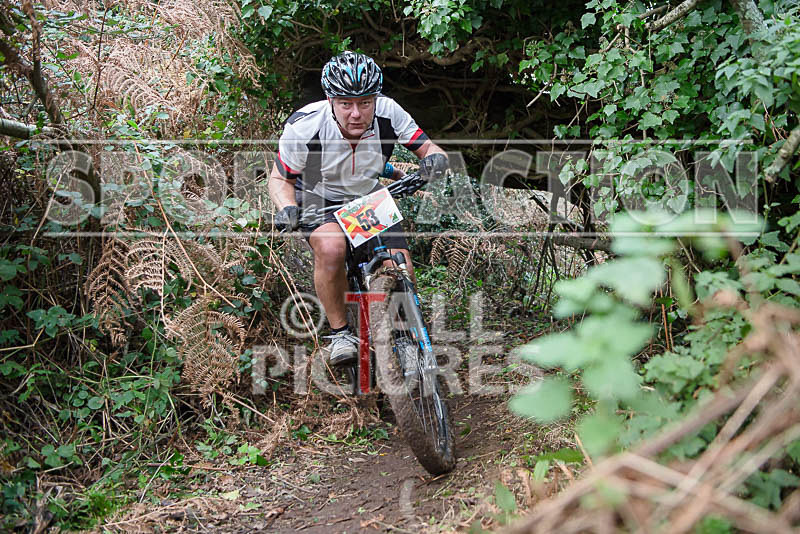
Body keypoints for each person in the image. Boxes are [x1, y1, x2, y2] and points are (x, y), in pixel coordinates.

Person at [268, 51, 449, 366]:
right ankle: (340, 334)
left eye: (365, 103)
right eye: (345, 104)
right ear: (330, 100)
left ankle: (406, 334)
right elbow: (279, 179)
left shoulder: (389, 113)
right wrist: (287, 208)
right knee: (332, 249)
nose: (356, 113)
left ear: (376, 99)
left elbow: (429, 147)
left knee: (400, 262)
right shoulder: (306, 126)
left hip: (365, 195)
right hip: (317, 195)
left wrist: (434, 159)